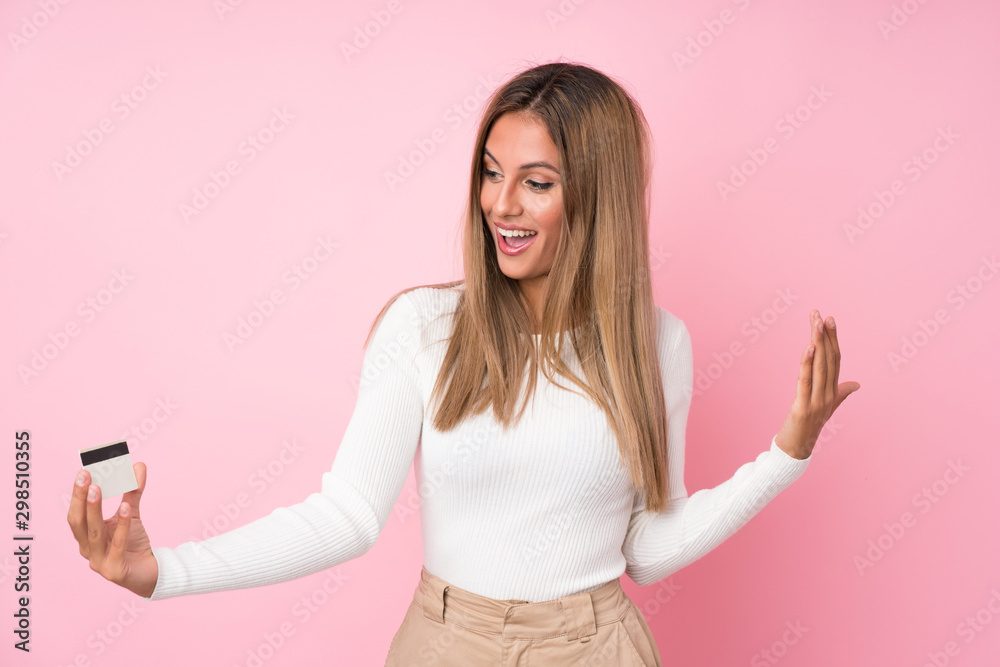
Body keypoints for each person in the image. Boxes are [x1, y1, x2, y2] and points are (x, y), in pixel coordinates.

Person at [67, 61, 860, 666]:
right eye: (490, 170)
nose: (500, 204)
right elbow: (345, 514)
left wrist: (786, 454)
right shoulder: (424, 327)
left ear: (597, 197)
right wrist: (163, 571)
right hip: (446, 642)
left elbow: (647, 548)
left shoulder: (658, 343)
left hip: (595, 645)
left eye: (536, 182)